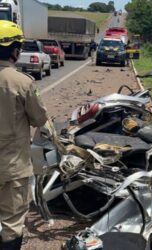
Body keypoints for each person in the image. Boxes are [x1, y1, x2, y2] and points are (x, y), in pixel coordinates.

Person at [0, 20, 47, 250]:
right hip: (11, 167)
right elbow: (39, 119)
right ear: (15, 50)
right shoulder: (22, 82)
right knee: (11, 222)